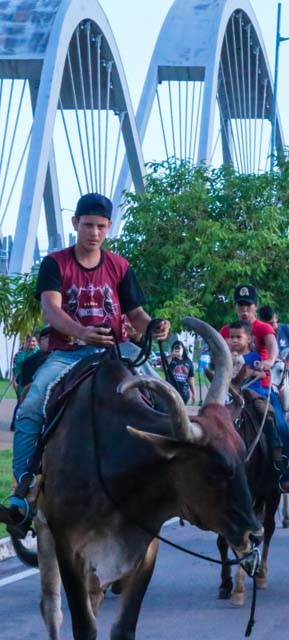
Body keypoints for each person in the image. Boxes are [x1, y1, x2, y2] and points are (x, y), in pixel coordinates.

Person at [3, 193, 170, 535]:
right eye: (88, 225)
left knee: (167, 398)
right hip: (67, 353)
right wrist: (81, 332)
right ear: (75, 223)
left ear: (109, 228)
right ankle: (22, 494)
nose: (94, 232)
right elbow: (50, 309)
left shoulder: (120, 266)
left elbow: (136, 314)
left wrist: (153, 326)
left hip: (117, 352)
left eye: (101, 227)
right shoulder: (55, 263)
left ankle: (173, 478)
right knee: (31, 407)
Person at [220, 285, 289, 494]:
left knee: (279, 423)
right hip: (230, 390)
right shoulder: (227, 330)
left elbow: (272, 347)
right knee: (208, 418)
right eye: (240, 305)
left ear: (255, 306)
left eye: (248, 305)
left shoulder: (263, 328)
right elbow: (218, 351)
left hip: (261, 389)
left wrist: (269, 361)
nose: (244, 309)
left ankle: (286, 471)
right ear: (235, 307)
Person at [166, 340, 196, 405]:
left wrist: (193, 393)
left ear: (183, 349)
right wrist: (171, 356)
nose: (177, 350)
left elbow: (190, 379)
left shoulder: (188, 362)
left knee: (181, 410)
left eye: (179, 348)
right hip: (170, 391)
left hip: (184, 393)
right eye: (175, 348)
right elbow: (163, 368)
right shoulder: (169, 359)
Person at [11, 334, 39, 399]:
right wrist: (14, 383)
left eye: (33, 341)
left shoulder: (41, 354)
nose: (31, 343)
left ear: (37, 342)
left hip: (36, 387)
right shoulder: (20, 355)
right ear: (26, 342)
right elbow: (16, 371)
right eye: (29, 341)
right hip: (22, 387)